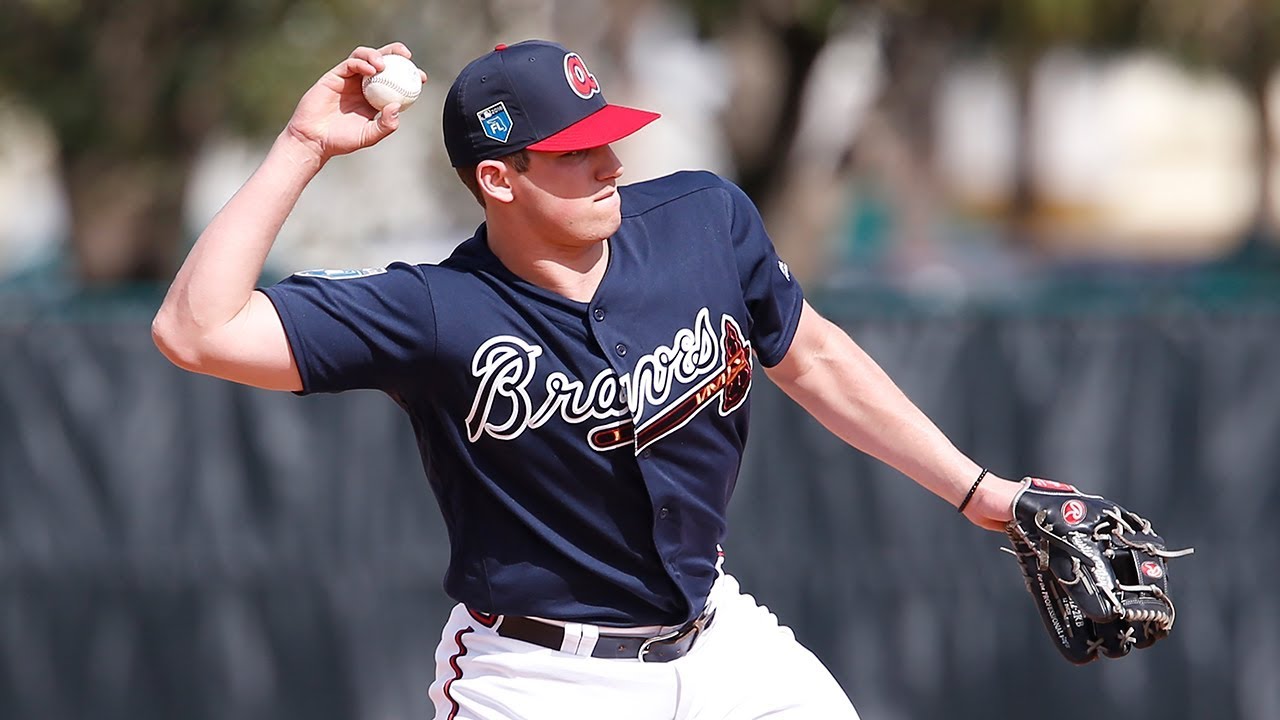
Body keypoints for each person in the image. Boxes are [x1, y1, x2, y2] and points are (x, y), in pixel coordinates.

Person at [153, 40, 1021, 719]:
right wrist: (305, 144)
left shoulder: (702, 221)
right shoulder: (435, 309)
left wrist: (981, 492)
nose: (610, 162)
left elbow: (817, 357)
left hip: (720, 645)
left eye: (606, 135)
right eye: (574, 152)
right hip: (541, 681)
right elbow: (195, 330)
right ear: (499, 178)